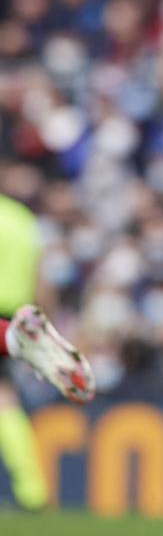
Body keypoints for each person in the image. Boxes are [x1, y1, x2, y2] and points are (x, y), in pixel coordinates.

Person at [0, 194, 95, 508]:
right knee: (4, 401)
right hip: (17, 310)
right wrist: (48, 322)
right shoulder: (22, 219)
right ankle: (32, 489)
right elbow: (41, 278)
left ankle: (14, 339)